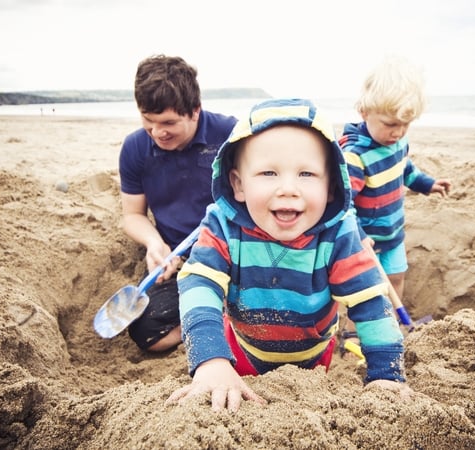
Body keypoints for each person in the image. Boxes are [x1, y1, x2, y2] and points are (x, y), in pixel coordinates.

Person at [166, 98, 414, 412]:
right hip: (241, 351)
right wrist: (212, 361)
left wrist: (385, 373)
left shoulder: (338, 234)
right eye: (269, 173)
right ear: (238, 184)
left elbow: (370, 303)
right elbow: (198, 283)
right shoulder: (223, 226)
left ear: (332, 188)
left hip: (312, 362)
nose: (288, 188)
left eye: (307, 174)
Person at [118, 55, 237, 353]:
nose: (158, 132)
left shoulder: (231, 136)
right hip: (179, 258)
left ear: (195, 111)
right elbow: (132, 215)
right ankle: (220, 319)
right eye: (149, 121)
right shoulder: (135, 148)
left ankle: (223, 316)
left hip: (237, 250)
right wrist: (154, 243)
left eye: (169, 122)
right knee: (147, 333)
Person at [339, 55, 452, 306]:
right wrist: (358, 235)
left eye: (406, 125)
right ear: (364, 112)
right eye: (390, 124)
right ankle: (354, 334)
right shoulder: (355, 156)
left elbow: (404, 168)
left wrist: (426, 184)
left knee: (396, 278)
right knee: (368, 290)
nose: (398, 132)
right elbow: (342, 203)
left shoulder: (397, 142)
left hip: (393, 232)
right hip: (364, 239)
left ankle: (392, 325)